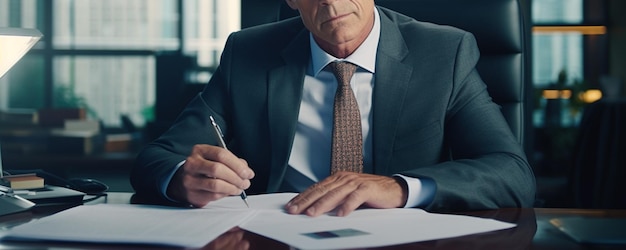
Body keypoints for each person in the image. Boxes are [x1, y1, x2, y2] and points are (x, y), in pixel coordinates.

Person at [131, 0, 536, 216]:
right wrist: (183, 177)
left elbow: (511, 173)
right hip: (277, 234)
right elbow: (156, 159)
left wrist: (398, 187)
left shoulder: (444, 53)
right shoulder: (248, 53)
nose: (328, 0)